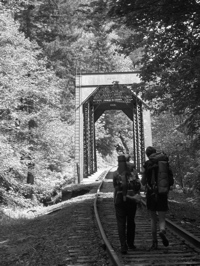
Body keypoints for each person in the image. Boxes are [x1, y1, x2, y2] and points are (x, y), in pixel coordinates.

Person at [141, 146, 174, 250]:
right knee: (162, 218)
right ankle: (162, 230)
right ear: (155, 152)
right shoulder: (164, 162)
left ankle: (154, 243)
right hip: (162, 193)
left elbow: (143, 182)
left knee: (153, 218)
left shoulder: (147, 164)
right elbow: (171, 181)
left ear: (147, 155)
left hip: (151, 193)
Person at [113, 153, 141, 254]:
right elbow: (138, 186)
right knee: (131, 221)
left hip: (120, 199)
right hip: (132, 199)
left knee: (121, 223)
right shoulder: (133, 172)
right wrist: (137, 197)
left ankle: (123, 246)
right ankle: (131, 243)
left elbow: (115, 188)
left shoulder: (116, 173)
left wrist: (114, 200)